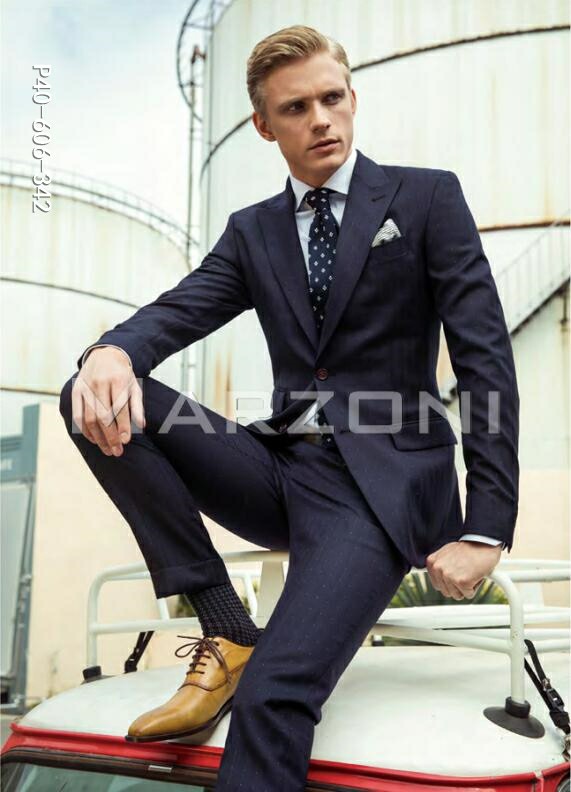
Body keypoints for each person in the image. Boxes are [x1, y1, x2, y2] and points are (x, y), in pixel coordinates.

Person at [58, 24, 519, 792]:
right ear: (264, 125)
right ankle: (224, 622)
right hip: (277, 467)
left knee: (274, 695)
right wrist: (109, 352)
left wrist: (485, 526)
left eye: (331, 99)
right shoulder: (253, 232)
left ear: (352, 97)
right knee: (90, 391)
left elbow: (484, 360)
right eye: (296, 108)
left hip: (378, 488)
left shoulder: (425, 197)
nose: (321, 120)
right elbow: (176, 312)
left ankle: (254, 667)